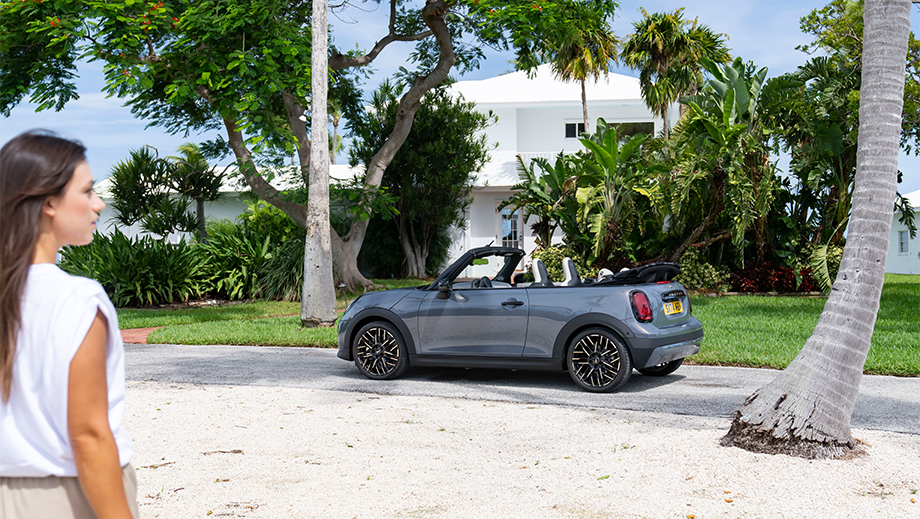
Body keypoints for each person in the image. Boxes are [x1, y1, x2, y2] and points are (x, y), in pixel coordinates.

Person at [0, 130, 138, 519]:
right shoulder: (77, 299)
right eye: (88, 191)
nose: (99, 204)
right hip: (66, 496)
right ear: (48, 202)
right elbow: (88, 435)